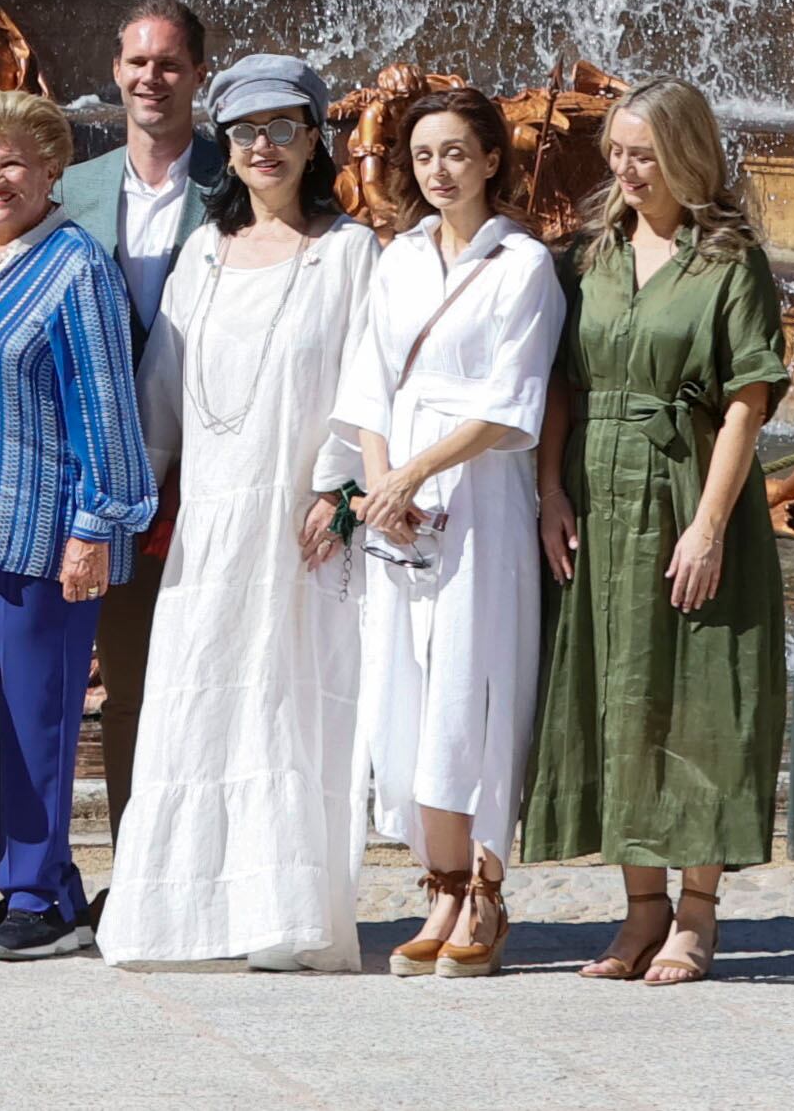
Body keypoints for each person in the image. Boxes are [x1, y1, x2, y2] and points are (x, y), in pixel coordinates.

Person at [100, 53, 380, 973]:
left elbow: (364, 379)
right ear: (227, 143)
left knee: (290, 708)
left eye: (283, 129)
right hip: (215, 522)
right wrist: (125, 504)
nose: (264, 146)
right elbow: (160, 396)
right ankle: (185, 918)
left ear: (313, 140)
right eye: (247, 131)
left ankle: (288, 915)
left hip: (301, 523)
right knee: (200, 700)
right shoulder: (200, 254)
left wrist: (340, 486)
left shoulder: (348, 250)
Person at [523, 78, 790, 986]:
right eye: (617, 154)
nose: (625, 170)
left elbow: (748, 404)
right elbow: (563, 381)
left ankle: (697, 913)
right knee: (615, 685)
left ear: (686, 153)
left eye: (642, 153)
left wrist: (710, 526)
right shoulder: (591, 254)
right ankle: (640, 908)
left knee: (701, 693)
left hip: (687, 489)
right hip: (596, 492)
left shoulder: (730, 262)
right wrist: (548, 486)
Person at [335, 87, 561, 977]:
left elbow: (515, 402)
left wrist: (417, 472)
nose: (439, 170)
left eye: (458, 153)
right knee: (404, 684)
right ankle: (436, 884)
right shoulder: (395, 261)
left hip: (479, 495)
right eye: (425, 154)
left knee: (475, 678)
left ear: (493, 160)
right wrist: (382, 481)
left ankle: (486, 888)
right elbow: (368, 381)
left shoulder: (524, 265)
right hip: (400, 497)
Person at [0, 90, 156, 961]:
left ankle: (41, 896)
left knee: (43, 716)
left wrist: (97, 522)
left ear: (52, 170)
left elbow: (106, 401)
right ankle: (37, 878)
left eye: (13, 163)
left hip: (46, 527)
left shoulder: (76, 264)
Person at [54, 0, 223, 849]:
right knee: (125, 686)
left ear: (197, 73)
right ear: (115, 72)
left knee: (215, 678)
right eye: (137, 62)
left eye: (168, 62)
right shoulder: (73, 188)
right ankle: (133, 865)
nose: (150, 77)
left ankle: (204, 860)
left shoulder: (240, 180)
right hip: (104, 475)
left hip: (216, 472)